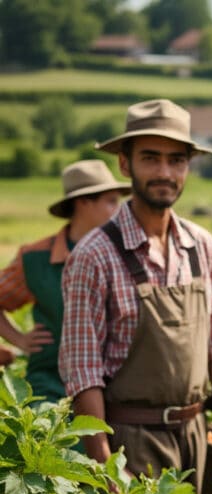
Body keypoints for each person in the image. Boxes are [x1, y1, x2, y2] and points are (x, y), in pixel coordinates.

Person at [59, 99, 212, 494]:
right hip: (129, 443)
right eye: (150, 158)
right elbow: (83, 376)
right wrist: (105, 468)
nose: (164, 172)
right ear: (125, 164)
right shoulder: (94, 256)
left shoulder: (201, 247)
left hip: (196, 434)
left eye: (176, 160)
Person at [0, 160, 130, 403]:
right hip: (50, 385)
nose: (119, 210)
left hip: (113, 388)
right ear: (83, 202)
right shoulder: (35, 259)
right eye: (111, 201)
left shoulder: (127, 254)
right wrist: (19, 339)